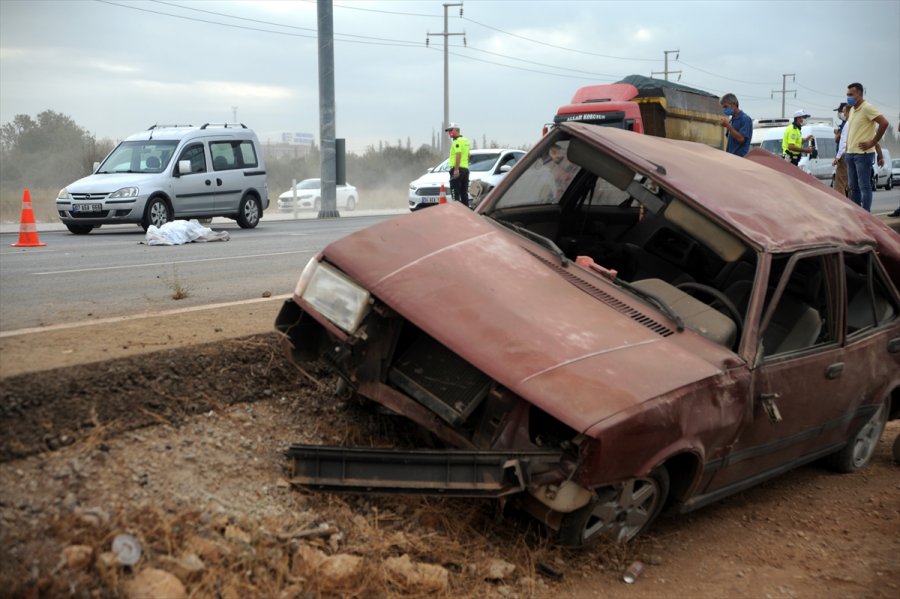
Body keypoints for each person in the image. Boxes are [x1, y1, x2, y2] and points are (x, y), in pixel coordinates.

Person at [844, 82, 889, 212]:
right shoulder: (852, 109)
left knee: (864, 186)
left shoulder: (867, 108)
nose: (848, 97)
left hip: (863, 155)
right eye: (847, 95)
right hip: (851, 153)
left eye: (851, 94)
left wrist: (873, 142)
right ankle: (857, 214)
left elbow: (884, 123)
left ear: (859, 94)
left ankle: (866, 215)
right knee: (853, 187)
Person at [445, 122, 471, 207]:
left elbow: (458, 154)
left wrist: (456, 169)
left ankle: (456, 213)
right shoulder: (466, 140)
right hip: (465, 170)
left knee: (454, 193)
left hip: (457, 170)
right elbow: (468, 155)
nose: (449, 133)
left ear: (457, 130)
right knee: (464, 193)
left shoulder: (457, 142)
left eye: (451, 130)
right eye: (448, 131)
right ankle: (466, 213)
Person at [832, 102, 850, 197]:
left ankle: (842, 205)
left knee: (840, 183)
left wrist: (838, 157)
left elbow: (842, 142)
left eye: (841, 111)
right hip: (848, 154)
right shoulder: (845, 124)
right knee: (847, 183)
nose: (840, 113)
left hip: (844, 155)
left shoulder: (846, 124)